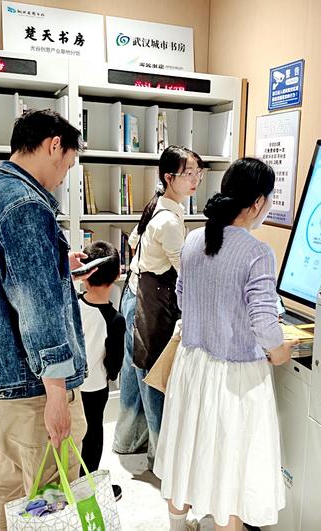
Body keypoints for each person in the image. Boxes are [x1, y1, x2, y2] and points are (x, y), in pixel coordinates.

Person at [154, 158, 299, 531]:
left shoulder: (193, 239)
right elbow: (264, 322)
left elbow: (183, 298)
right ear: (257, 202)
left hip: (191, 366)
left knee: (187, 454)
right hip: (235, 379)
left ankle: (177, 527)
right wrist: (280, 352)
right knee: (229, 471)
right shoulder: (257, 252)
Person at [0, 109, 90, 531]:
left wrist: (57, 266)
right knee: (49, 497)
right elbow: (39, 311)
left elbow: (3, 283)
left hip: (2, 385)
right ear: (55, 145)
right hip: (34, 389)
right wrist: (57, 393)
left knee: (8, 489)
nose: (64, 176)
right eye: (68, 163)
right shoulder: (26, 206)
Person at [113, 146, 204, 469]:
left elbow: (134, 242)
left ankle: (127, 440)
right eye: (188, 173)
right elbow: (185, 272)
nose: (195, 179)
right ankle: (161, 457)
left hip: (134, 296)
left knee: (135, 373)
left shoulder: (159, 205)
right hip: (150, 306)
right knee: (155, 378)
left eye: (198, 172)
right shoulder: (169, 220)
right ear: (169, 177)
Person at [77, 240, 126, 501]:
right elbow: (115, 361)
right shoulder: (115, 320)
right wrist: (112, 374)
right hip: (95, 386)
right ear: (117, 275)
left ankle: (68, 482)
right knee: (93, 435)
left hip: (65, 385)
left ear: (84, 274)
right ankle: (87, 489)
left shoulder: (71, 305)